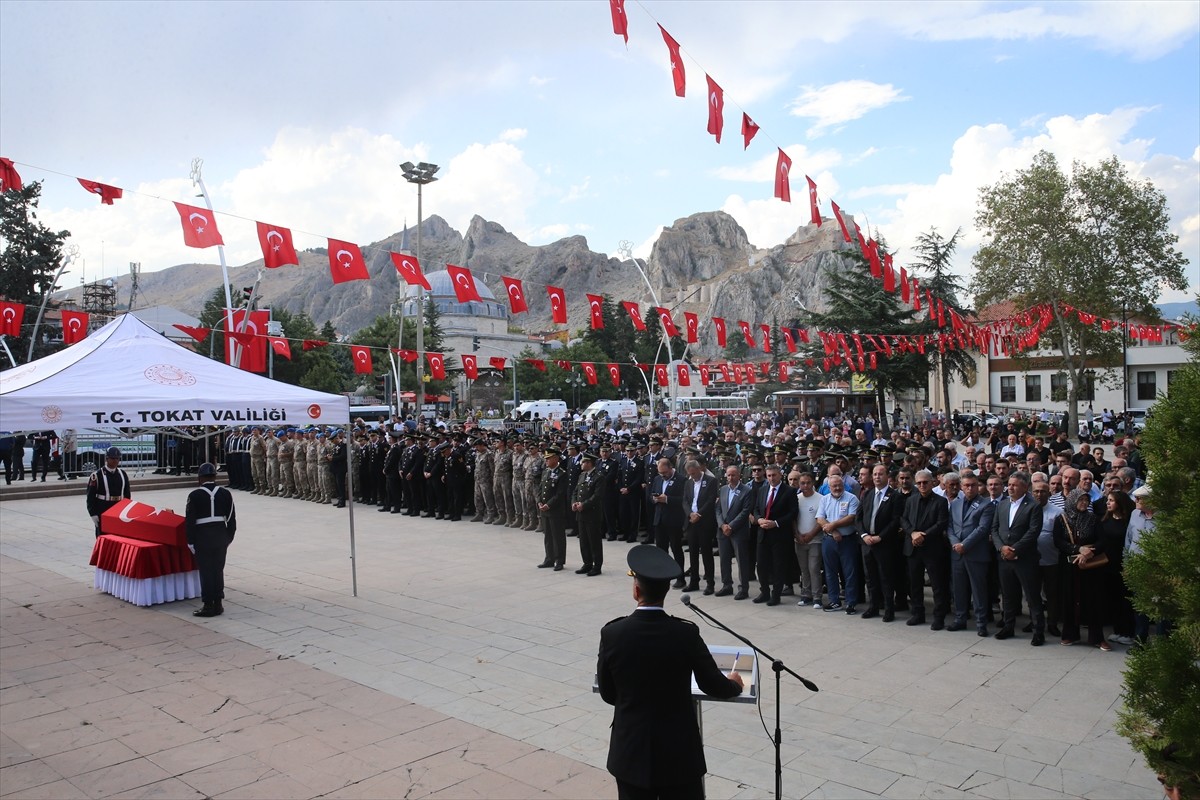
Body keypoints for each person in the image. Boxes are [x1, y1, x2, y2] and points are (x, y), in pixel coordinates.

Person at [597, 544, 743, 799]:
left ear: (636, 590)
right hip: (679, 753)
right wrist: (734, 684)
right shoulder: (685, 633)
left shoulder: (612, 634)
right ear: (666, 591)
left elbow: (609, 694)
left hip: (632, 751)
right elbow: (712, 684)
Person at [991, 472, 1046, 644]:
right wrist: (1002, 547)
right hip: (1004, 558)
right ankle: (1008, 626)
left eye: (1015, 485)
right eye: (1009, 484)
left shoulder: (1033, 506)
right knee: (1007, 595)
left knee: (1031, 596)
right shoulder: (1002, 504)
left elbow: (1033, 532)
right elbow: (995, 529)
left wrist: (1015, 549)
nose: (1011, 488)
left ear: (1025, 487)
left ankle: (1038, 631)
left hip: (1025, 559)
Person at [900, 469, 951, 628]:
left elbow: (941, 523)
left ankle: (939, 617)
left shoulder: (941, 501)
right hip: (913, 547)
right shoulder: (911, 500)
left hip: (932, 549)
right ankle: (918, 614)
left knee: (937, 585)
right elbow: (904, 519)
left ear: (932, 483)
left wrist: (924, 535)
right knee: (915, 584)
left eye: (925, 482)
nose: (922, 485)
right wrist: (913, 533)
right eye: (919, 483)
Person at [185, 462, 237, 618]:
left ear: (200, 478)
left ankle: (208, 605)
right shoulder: (225, 493)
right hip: (221, 535)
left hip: (203, 537)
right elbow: (231, 519)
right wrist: (228, 537)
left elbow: (190, 521)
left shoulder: (194, 495)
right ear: (215, 477)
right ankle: (218, 603)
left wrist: (191, 541)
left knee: (206, 572)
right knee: (218, 570)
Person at [715, 465, 753, 600]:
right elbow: (718, 509)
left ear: (739, 476)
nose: (731, 478)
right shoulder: (723, 489)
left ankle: (743, 588)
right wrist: (722, 525)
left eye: (733, 475)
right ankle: (727, 585)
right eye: (729, 475)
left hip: (738, 531)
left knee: (741, 560)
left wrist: (730, 526)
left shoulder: (747, 491)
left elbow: (745, 511)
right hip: (723, 531)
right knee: (724, 559)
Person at [572, 451, 605, 576]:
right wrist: (574, 502)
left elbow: (597, 496)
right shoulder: (582, 475)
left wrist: (584, 505)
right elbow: (575, 491)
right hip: (581, 513)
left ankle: (597, 566)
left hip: (592, 513)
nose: (582, 464)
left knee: (594, 540)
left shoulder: (599, 476)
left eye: (584, 462)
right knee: (584, 541)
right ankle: (587, 563)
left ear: (589, 463)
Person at [85, 446, 131, 537]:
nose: (115, 461)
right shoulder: (97, 475)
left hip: (118, 507)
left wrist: (127, 509)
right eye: (112, 458)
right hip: (103, 507)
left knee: (119, 535)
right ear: (107, 459)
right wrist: (93, 514)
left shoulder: (122, 474)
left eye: (117, 459)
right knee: (104, 536)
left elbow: (127, 494)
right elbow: (90, 496)